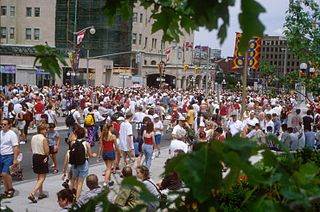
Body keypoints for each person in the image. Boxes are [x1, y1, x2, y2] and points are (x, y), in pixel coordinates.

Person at [70, 127, 97, 200]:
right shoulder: (86, 143)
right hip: (83, 164)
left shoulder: (73, 142)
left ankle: (70, 196)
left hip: (74, 164)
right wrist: (94, 155)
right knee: (80, 183)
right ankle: (77, 199)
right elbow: (90, 155)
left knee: (73, 180)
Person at [28, 123, 50, 203]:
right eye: (45, 129)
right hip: (42, 157)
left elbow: (31, 149)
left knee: (39, 176)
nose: (46, 131)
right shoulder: (44, 139)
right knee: (42, 177)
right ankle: (33, 193)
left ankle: (41, 193)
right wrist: (47, 156)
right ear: (42, 130)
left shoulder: (33, 137)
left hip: (35, 156)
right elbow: (47, 151)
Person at [0, 118, 20, 198]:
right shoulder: (1, 133)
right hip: (1, 155)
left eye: (5, 124)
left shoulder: (12, 134)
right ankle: (6, 189)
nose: (3, 126)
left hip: (9, 155)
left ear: (8, 125)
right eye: (2, 124)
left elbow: (16, 147)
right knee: (2, 174)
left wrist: (15, 159)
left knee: (5, 173)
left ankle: (11, 188)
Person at [98, 122, 116, 187]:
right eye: (113, 127)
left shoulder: (103, 135)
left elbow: (100, 146)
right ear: (110, 127)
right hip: (110, 151)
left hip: (104, 152)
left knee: (108, 167)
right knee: (109, 168)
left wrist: (99, 155)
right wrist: (119, 152)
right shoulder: (113, 136)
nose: (113, 128)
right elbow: (116, 146)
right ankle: (105, 182)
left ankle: (109, 180)